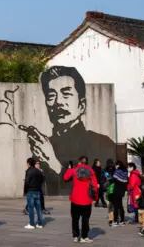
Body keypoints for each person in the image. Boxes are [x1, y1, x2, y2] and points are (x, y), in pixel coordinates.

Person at [19, 66, 116, 196]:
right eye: (51, 95)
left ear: (82, 105)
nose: (58, 102)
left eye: (66, 94)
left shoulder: (102, 144)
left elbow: (81, 186)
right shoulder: (42, 147)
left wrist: (53, 163)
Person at [63, 156, 98, 243]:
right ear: (87, 162)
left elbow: (65, 178)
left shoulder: (74, 170)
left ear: (79, 162)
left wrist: (69, 169)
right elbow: (94, 186)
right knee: (85, 219)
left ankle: (75, 236)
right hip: (87, 200)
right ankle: (84, 237)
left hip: (75, 199)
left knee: (75, 218)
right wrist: (95, 198)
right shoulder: (91, 171)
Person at [23, 158, 44, 229]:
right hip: (37, 191)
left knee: (31, 208)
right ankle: (40, 224)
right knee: (39, 208)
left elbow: (27, 182)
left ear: (28, 163)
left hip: (31, 191)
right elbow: (42, 180)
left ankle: (31, 224)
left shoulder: (29, 171)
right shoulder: (39, 171)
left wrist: (25, 191)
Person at [111, 161, 128, 226]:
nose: (115, 167)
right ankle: (122, 220)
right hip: (122, 191)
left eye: (116, 165)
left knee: (115, 206)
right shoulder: (125, 172)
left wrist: (110, 178)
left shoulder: (117, 171)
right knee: (120, 205)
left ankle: (115, 221)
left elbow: (113, 179)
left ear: (118, 165)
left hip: (116, 190)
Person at [104, 159, 116, 226]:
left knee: (110, 205)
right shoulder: (114, 171)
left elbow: (107, 180)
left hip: (109, 189)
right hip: (112, 189)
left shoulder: (106, 171)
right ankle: (112, 218)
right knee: (112, 205)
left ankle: (111, 219)